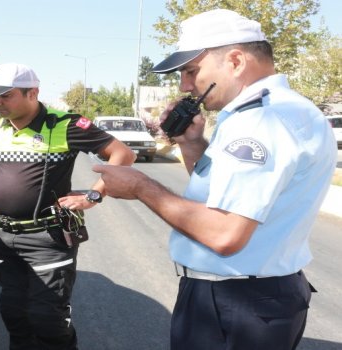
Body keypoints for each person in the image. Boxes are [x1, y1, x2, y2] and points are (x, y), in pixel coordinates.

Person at [92, 9, 337, 349]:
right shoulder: (279, 109)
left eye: (191, 71)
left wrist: (140, 186)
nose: (185, 85)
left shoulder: (261, 121)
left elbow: (225, 233)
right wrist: (193, 144)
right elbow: (223, 194)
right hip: (251, 297)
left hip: (237, 301)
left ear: (235, 61)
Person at [0, 63, 136, 349]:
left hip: (48, 238)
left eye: (5, 96)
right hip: (1, 235)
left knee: (47, 320)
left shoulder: (65, 124)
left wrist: (93, 196)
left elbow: (123, 154)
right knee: (14, 314)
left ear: (33, 93)